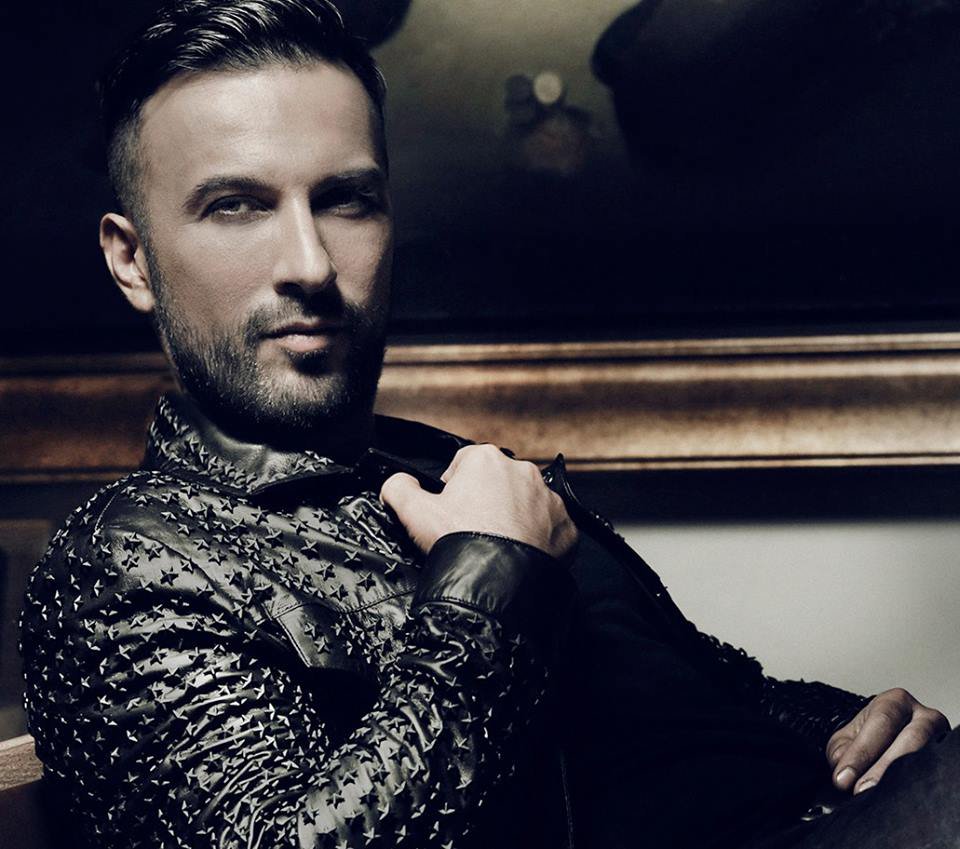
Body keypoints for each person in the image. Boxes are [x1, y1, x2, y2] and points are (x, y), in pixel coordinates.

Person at [17, 2, 954, 848]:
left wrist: (849, 728)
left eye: (346, 199)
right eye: (236, 206)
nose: (310, 263)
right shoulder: (123, 562)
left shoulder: (452, 465)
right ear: (132, 260)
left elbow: (696, 697)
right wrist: (494, 575)